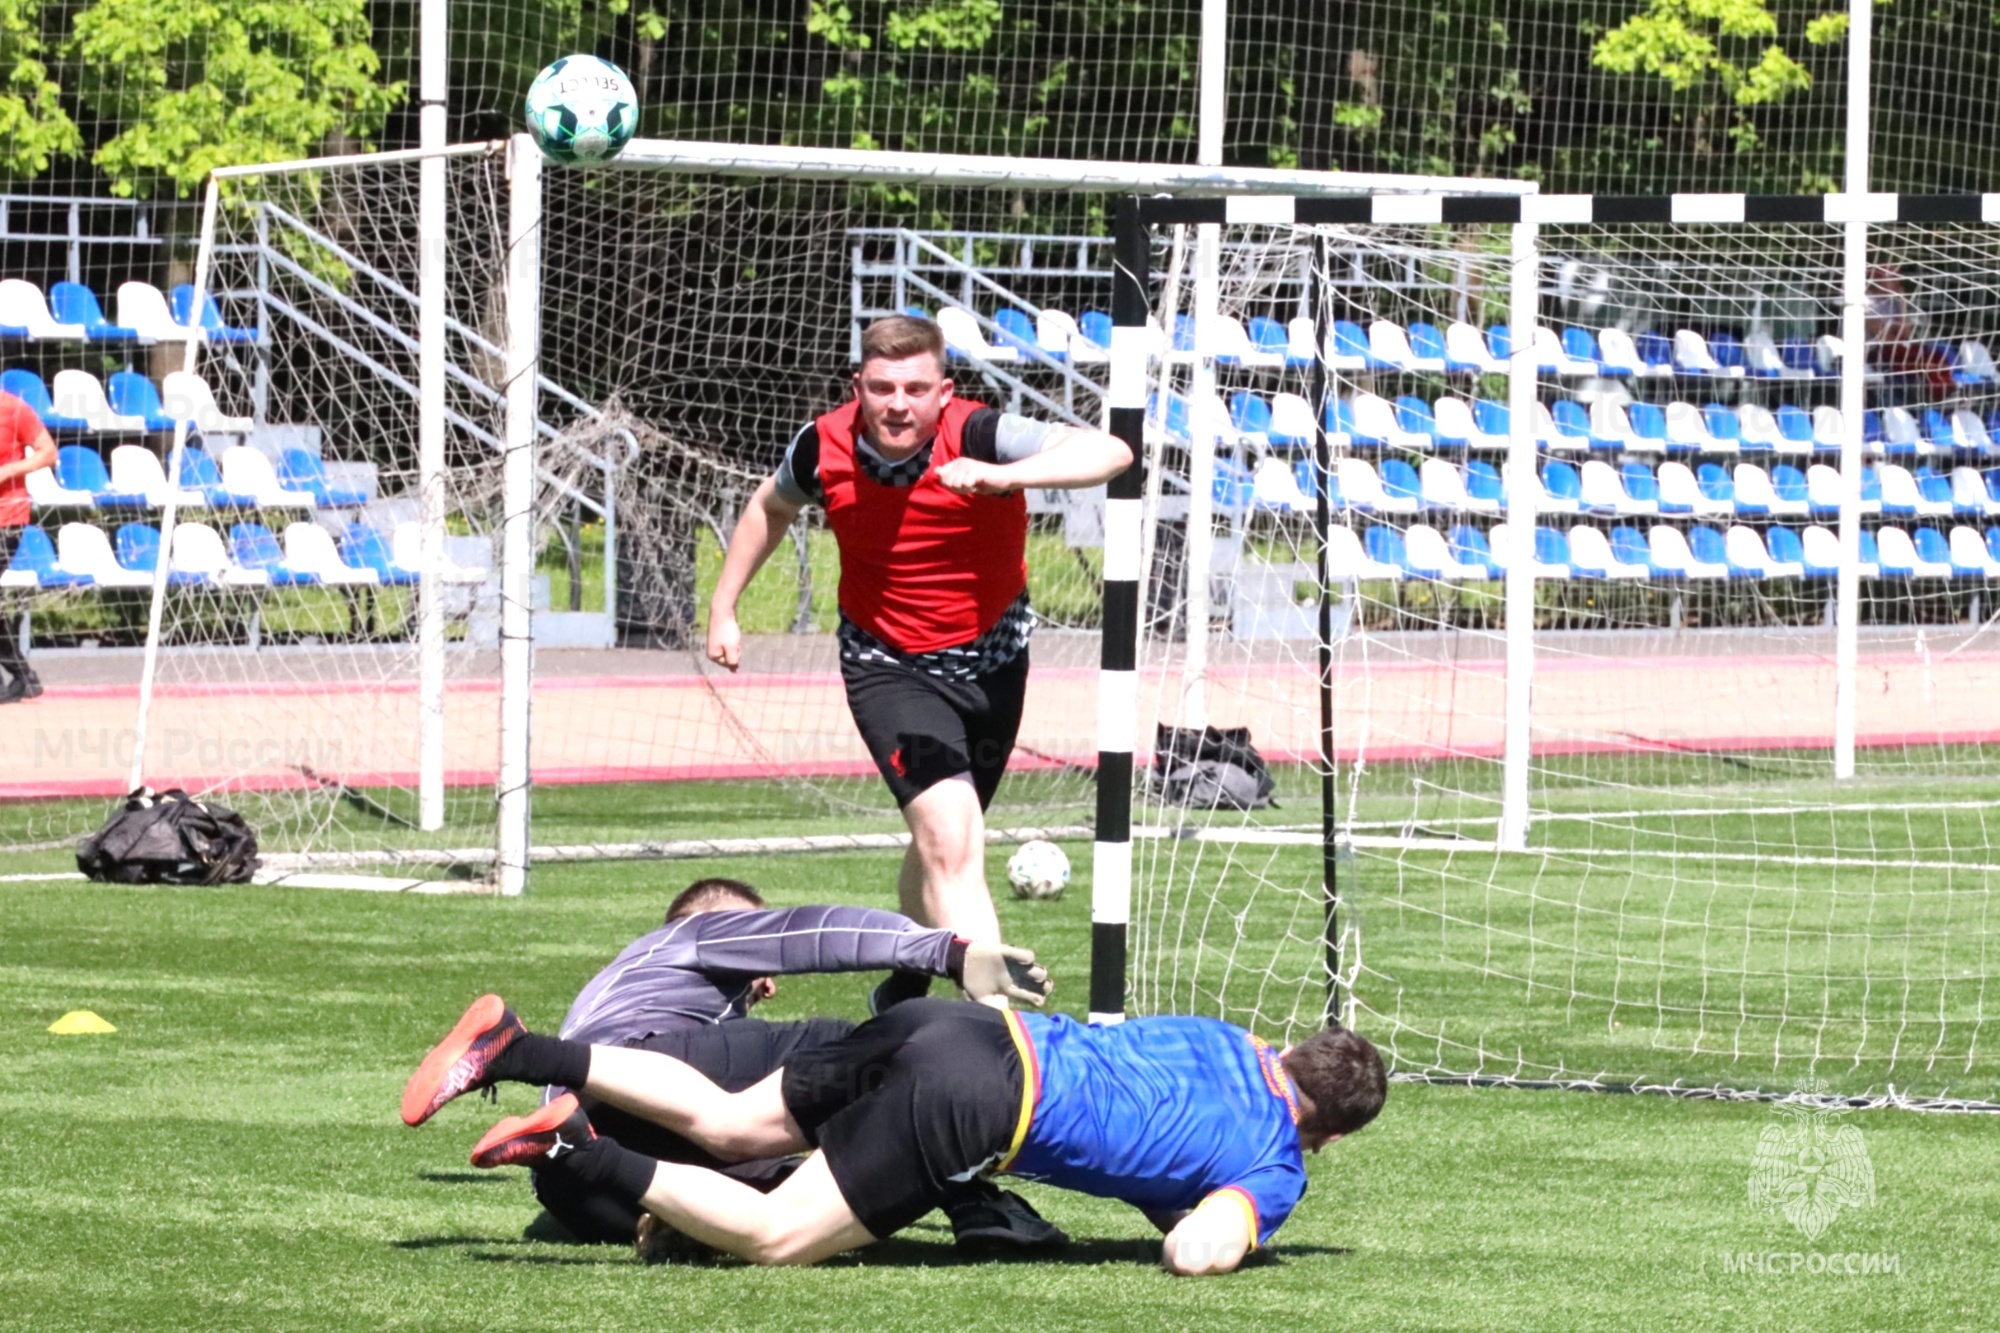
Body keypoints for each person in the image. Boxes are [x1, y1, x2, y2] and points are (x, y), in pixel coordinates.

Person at [705, 315, 1132, 1005]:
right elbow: (769, 506)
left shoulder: (980, 433)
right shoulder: (822, 445)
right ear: (858, 387)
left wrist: (1001, 476)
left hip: (994, 661)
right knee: (951, 841)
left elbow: (1110, 452)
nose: (897, 404)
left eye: (915, 388)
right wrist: (724, 606)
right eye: (882, 388)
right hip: (889, 664)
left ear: (944, 392)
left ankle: (906, 975)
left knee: (944, 839)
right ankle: (997, 1029)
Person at [404, 993, 1388, 1275]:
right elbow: (1190, 1248)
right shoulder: (1274, 1160)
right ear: (1330, 1135)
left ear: (1289, 1053)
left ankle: (518, 1046)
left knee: (732, 1121)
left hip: (960, 1024)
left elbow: (1151, 1137)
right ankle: (571, 1144)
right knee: (775, 1236)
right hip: (979, 1100)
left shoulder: (1227, 1039)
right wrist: (1244, 1225)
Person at [514, 875, 1062, 1252]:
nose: (770, 986)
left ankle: (680, 1226)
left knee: (795, 1187)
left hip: (572, 1177)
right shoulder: (693, 931)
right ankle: (975, 1201)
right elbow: (815, 932)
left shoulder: (608, 989)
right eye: (759, 966)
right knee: (871, 1053)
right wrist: (947, 952)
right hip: (636, 1069)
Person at [0, 388, 53, 703]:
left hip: (7, 517)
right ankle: (23, 676)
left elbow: (48, 452)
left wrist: (9, 470)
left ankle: (21, 676)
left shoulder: (13, 407)